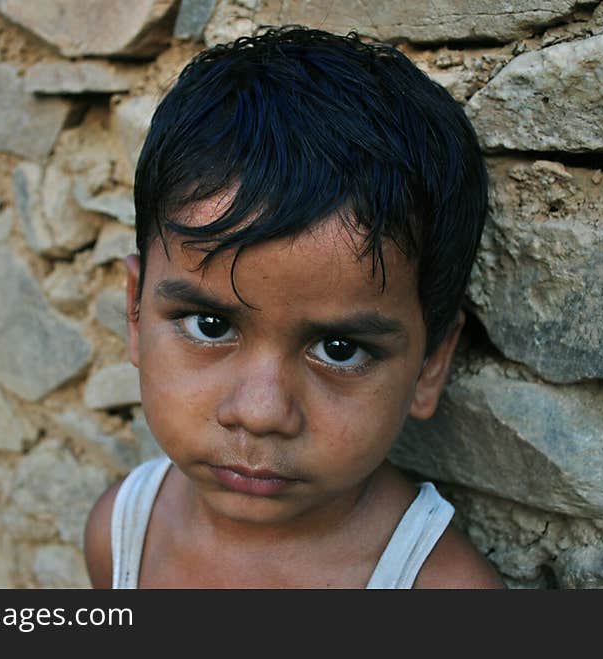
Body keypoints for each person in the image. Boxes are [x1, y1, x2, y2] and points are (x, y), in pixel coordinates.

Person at [84, 26, 505, 588]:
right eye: (210, 326)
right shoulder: (121, 534)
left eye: (340, 349)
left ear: (431, 363)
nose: (259, 413)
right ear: (135, 314)